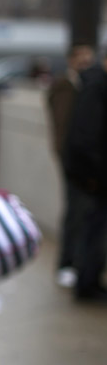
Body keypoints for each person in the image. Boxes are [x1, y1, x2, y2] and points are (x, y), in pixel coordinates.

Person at [47, 45, 96, 289]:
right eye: (81, 58)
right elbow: (63, 126)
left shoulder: (82, 84)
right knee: (74, 213)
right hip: (73, 163)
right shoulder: (66, 86)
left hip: (77, 162)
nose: (86, 62)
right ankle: (67, 264)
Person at [64, 52, 107, 301]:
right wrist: (95, 176)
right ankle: (86, 283)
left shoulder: (93, 85)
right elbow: (86, 138)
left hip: (92, 177)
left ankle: (89, 280)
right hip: (93, 179)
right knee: (91, 230)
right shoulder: (96, 87)